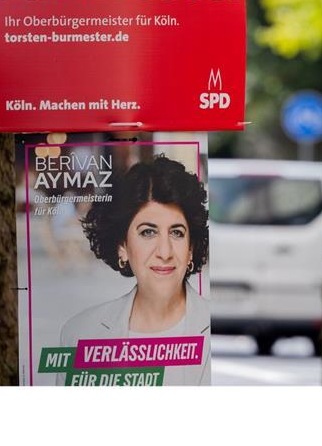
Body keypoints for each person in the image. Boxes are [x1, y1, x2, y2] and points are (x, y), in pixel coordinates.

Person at [58, 155, 210, 386]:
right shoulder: (80, 334)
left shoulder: (220, 333)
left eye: (177, 232)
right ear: (122, 247)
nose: (165, 252)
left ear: (191, 249)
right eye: (148, 232)